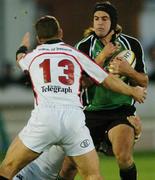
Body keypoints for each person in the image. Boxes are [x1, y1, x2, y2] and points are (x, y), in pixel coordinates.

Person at [0, 15, 146, 180]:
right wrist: (132, 91)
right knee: (93, 175)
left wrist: (22, 48)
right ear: (61, 33)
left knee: (7, 168)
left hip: (44, 118)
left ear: (39, 39)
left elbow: (20, 60)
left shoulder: (33, 56)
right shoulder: (74, 53)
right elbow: (106, 79)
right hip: (73, 119)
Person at [58, 1, 149, 180]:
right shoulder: (83, 46)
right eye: (96, 18)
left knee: (123, 157)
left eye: (104, 19)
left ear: (113, 23)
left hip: (121, 111)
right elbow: (81, 84)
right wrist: (102, 57)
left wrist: (128, 71)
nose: (99, 22)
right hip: (90, 113)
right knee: (69, 167)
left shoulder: (132, 45)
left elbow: (144, 81)